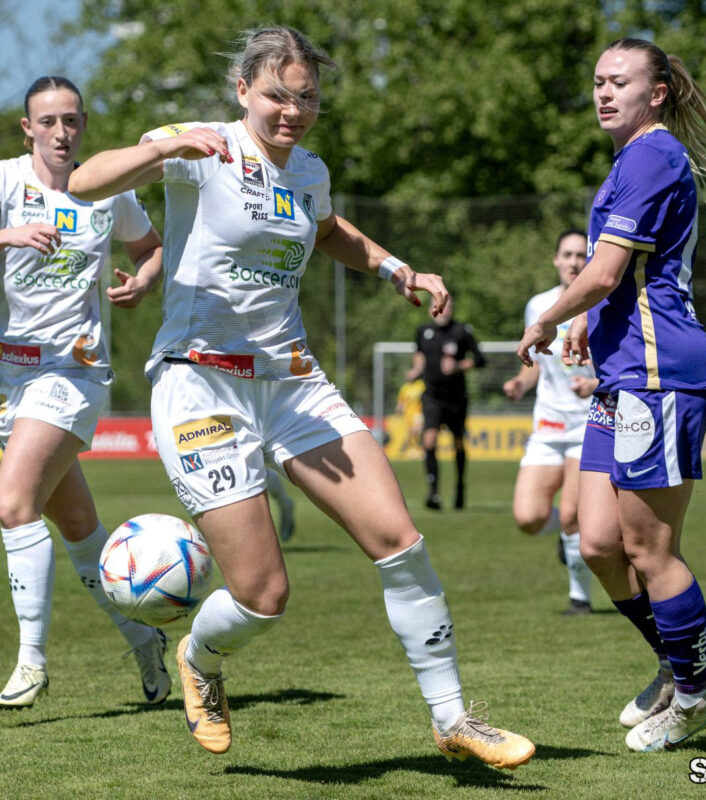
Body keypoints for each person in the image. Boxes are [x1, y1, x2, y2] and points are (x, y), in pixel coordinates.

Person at [69, 27, 534, 768]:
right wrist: (164, 148)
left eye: (307, 97)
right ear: (244, 90)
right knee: (261, 594)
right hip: (199, 383)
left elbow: (326, 232)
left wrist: (395, 269)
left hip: (291, 380)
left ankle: (454, 720)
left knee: (400, 543)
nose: (293, 110)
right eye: (278, 95)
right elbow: (86, 180)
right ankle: (202, 660)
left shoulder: (307, 169)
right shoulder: (202, 146)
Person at [517, 38, 706, 751]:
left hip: (662, 377)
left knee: (650, 550)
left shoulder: (653, 155)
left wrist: (550, 317)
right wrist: (588, 320)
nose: (603, 92)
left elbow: (605, 271)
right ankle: (675, 666)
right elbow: (616, 275)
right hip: (625, 380)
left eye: (619, 82)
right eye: (597, 81)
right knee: (595, 543)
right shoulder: (629, 161)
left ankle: (695, 693)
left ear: (656, 93)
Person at [0, 76, 168, 708]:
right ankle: (143, 638)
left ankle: (32, 663)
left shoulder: (106, 188)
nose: (60, 133)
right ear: (27, 128)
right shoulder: (7, 182)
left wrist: (144, 281)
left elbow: (150, 248)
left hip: (73, 373)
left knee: (13, 502)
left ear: (84, 124)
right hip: (10, 378)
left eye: (71, 121)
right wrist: (6, 236)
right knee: (77, 530)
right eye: (47, 122)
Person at [503, 230, 597, 616]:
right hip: (548, 425)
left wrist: (594, 385)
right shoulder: (538, 306)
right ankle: (567, 535)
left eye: (581, 255)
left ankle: (580, 598)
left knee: (574, 514)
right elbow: (537, 367)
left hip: (588, 423)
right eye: (567, 254)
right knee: (528, 518)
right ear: (556, 260)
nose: (574, 261)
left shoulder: (602, 305)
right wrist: (519, 383)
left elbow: (618, 368)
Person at [406, 295, 485, 510]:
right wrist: (416, 370)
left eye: (447, 307)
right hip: (432, 396)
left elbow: (480, 359)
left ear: (451, 309)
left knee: (458, 443)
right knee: (429, 440)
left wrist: (459, 366)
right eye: (439, 306)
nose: (443, 310)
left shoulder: (462, 331)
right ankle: (433, 493)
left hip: (456, 397)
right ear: (432, 308)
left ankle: (460, 487)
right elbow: (420, 355)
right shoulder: (423, 331)